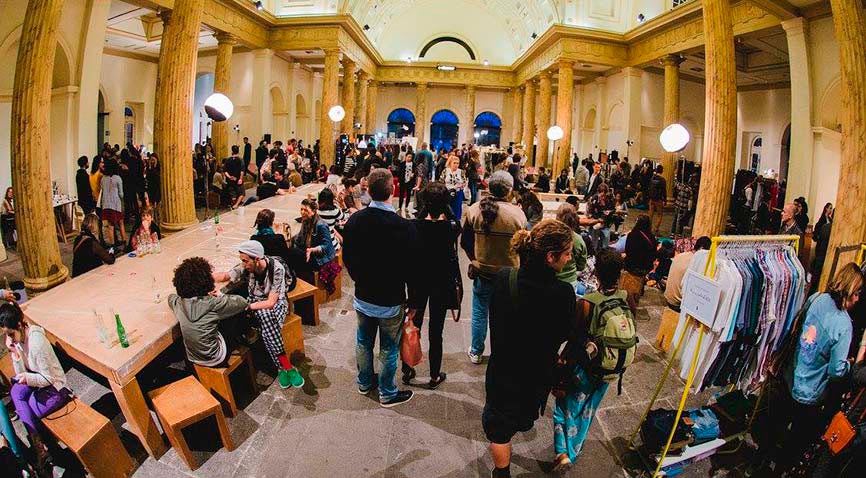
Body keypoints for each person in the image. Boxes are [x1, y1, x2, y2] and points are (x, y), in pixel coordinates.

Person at [483, 220, 576, 478]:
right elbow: (566, 334)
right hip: (536, 376)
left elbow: (495, 318)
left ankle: (501, 473)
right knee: (523, 418)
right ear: (550, 256)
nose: (569, 259)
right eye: (567, 253)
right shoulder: (564, 293)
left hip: (503, 371)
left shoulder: (504, 278)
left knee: (499, 430)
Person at [769, 263, 864, 473]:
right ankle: (779, 470)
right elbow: (835, 372)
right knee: (796, 440)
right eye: (857, 293)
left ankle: (761, 464)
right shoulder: (844, 325)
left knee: (776, 427)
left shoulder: (817, 298)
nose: (858, 299)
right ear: (849, 290)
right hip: (811, 392)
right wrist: (850, 366)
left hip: (791, 376)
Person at [343, 168, 417, 407]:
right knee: (388, 347)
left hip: (364, 296)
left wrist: (360, 280)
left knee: (363, 341)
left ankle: (364, 382)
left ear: (368, 190)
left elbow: (348, 258)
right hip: (391, 299)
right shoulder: (404, 226)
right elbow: (411, 268)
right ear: (392, 191)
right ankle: (387, 391)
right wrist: (413, 301)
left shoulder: (355, 220)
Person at [552, 248, 629, 470]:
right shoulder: (627, 298)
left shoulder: (586, 302)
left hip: (585, 367)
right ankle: (575, 447)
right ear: (619, 273)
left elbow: (574, 336)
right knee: (587, 410)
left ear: (596, 273)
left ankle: (564, 452)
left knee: (563, 407)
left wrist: (562, 361)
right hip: (609, 368)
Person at [212, 240, 305, 389]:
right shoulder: (247, 266)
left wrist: (245, 306)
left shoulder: (276, 268)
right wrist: (204, 277)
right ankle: (286, 366)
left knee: (267, 315)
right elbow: (225, 276)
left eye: (245, 261)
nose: (243, 264)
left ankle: (282, 368)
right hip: (257, 304)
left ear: (257, 259)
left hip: (276, 303)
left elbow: (271, 302)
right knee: (268, 322)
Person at [461, 171, 527, 364]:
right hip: (510, 276)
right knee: (505, 315)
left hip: (483, 272)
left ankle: (476, 351)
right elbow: (523, 246)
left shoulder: (474, 210)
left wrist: (474, 261)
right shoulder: (518, 214)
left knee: (480, 312)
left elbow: (465, 241)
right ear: (509, 190)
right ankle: (502, 352)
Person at [2, 301, 73, 475]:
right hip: (37, 382)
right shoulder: (18, 339)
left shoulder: (36, 342)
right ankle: (39, 445)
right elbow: (20, 375)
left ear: (19, 325)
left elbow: (49, 378)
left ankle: (44, 446)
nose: (9, 339)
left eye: (11, 333)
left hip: (56, 386)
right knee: (16, 391)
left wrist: (27, 378)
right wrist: (16, 355)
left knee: (31, 406)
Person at [402, 182, 461, 389]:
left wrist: (426, 207)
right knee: (436, 331)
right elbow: (455, 220)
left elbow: (419, 219)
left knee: (412, 326)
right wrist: (446, 206)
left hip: (418, 283)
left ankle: (408, 368)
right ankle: (435, 375)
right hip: (441, 284)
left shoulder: (414, 226)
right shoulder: (451, 227)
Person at [170, 257, 251, 368]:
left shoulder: (178, 303)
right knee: (233, 315)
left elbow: (171, 297)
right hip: (217, 357)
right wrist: (221, 296)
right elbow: (242, 303)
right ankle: (248, 334)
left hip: (193, 357)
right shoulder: (213, 303)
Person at [663, 236, 711, 310]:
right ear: (702, 249)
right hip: (677, 304)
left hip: (668, 297)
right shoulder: (696, 263)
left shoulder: (681, 255)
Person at [622, 215, 657, 312]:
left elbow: (628, 251)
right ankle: (639, 290)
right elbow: (654, 255)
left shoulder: (631, 235)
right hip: (645, 267)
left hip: (631, 266)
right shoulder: (652, 237)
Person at [554, 203, 589, 293]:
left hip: (552, 280)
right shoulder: (578, 240)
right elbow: (581, 265)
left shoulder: (550, 236)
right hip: (570, 282)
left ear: (557, 218)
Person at [100, 158, 126, 246]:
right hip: (116, 205)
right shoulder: (118, 178)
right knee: (121, 223)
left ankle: (113, 246)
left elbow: (103, 190)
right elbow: (121, 194)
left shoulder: (103, 179)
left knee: (110, 226)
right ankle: (125, 242)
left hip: (106, 205)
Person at [587, 182, 615, 251]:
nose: (603, 196)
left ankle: (604, 252)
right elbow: (590, 211)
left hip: (606, 222)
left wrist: (602, 219)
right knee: (594, 240)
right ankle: (594, 250)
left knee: (605, 243)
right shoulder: (594, 198)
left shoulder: (610, 199)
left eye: (604, 193)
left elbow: (612, 210)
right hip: (595, 221)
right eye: (601, 193)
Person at [317, 188, 345, 252]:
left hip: (320, 244)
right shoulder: (334, 211)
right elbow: (345, 216)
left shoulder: (316, 211)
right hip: (332, 245)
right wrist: (342, 203)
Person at [442, 155, 467, 220]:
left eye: (457, 163)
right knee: (447, 208)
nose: (456, 165)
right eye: (454, 163)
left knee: (457, 208)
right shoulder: (445, 171)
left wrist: (460, 185)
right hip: (447, 192)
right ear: (450, 163)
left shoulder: (461, 172)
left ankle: (456, 222)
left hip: (458, 193)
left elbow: (464, 182)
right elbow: (441, 182)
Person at [224, 145, 246, 209]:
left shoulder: (227, 160)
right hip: (237, 179)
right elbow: (242, 170)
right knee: (242, 193)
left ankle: (232, 204)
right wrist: (240, 179)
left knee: (233, 193)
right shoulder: (240, 159)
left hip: (230, 180)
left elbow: (225, 171)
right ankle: (236, 205)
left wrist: (230, 177)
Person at [648, 165, 667, 235]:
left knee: (650, 214)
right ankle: (656, 229)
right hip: (658, 199)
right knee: (659, 214)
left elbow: (649, 188)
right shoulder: (662, 180)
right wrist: (665, 200)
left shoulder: (652, 178)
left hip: (651, 198)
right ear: (662, 171)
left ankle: (648, 228)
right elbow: (664, 191)